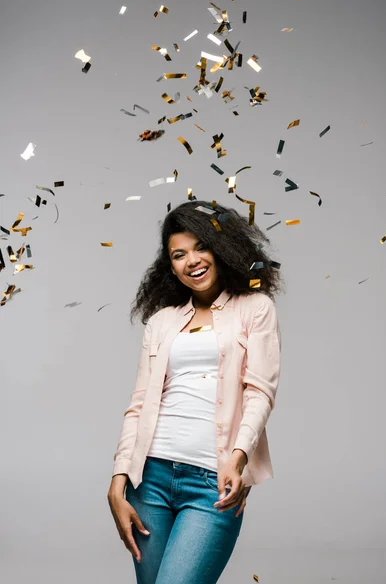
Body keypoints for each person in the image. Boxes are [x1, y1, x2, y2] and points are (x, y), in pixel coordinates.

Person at [107, 200, 284, 584]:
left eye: (201, 246)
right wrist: (119, 478)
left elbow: (260, 393)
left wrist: (236, 461)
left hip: (211, 484)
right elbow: (138, 405)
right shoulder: (161, 321)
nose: (192, 261)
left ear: (222, 248)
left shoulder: (255, 308)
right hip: (149, 480)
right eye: (179, 254)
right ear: (169, 266)